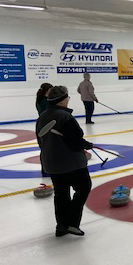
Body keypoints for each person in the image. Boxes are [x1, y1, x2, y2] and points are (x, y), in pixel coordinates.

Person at [36, 86, 94, 237]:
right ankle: (71, 223)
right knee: (83, 187)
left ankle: (61, 226)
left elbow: (41, 141)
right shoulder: (65, 117)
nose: (68, 100)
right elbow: (75, 142)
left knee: (61, 194)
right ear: (62, 101)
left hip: (51, 163)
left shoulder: (42, 117)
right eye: (67, 98)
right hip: (71, 163)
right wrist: (85, 145)